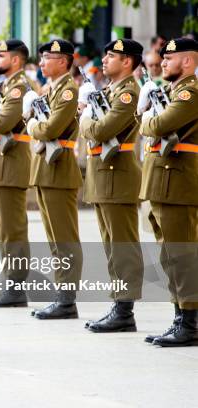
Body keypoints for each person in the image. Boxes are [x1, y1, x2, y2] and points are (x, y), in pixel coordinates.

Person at [79, 39, 145, 332]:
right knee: (110, 244)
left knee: (122, 245)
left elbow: (103, 129)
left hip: (118, 174)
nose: (105, 60)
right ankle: (119, 304)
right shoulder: (110, 92)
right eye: (105, 54)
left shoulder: (128, 93)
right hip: (104, 174)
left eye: (112, 55)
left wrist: (84, 117)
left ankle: (125, 308)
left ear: (128, 62)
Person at [138, 37, 198, 347]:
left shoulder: (189, 92)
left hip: (179, 183)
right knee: (169, 255)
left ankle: (190, 321)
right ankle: (181, 317)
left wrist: (146, 116)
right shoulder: (173, 91)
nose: (163, 62)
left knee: (182, 254)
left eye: (170, 58)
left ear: (187, 62)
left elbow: (161, 123)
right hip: (163, 183)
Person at [23, 39, 83, 319]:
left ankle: (67, 299)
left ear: (63, 61)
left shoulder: (68, 90)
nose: (42, 62)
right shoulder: (53, 89)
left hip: (60, 169)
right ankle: (62, 295)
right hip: (47, 169)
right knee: (54, 239)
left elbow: (50, 128)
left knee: (65, 238)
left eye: (48, 57)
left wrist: (32, 124)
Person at [0, 39, 33, 307]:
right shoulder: (8, 86)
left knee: (13, 229)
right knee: (3, 228)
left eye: (1, 55)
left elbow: (1, 122)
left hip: (11, 165)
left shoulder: (19, 88)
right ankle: (11, 281)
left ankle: (16, 285)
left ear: (16, 60)